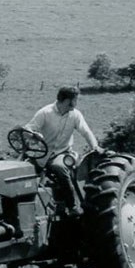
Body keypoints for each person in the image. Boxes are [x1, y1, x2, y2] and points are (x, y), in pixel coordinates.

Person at [25, 86, 102, 215]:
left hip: (62, 152)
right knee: (24, 170)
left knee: (59, 167)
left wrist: (95, 147)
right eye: (75, 100)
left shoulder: (75, 115)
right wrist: (33, 134)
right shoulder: (45, 113)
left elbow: (86, 132)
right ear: (67, 101)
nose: (76, 103)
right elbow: (28, 129)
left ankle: (72, 206)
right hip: (43, 153)